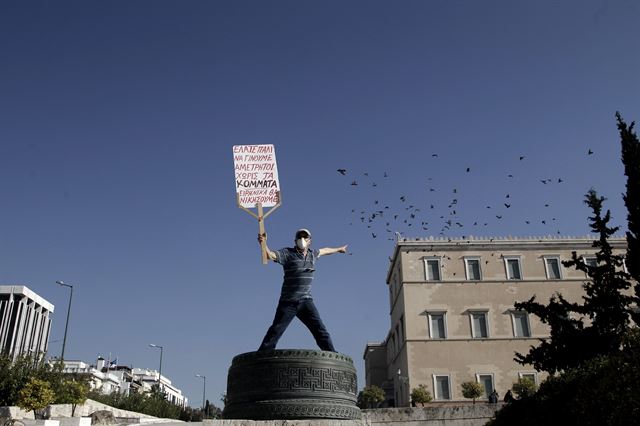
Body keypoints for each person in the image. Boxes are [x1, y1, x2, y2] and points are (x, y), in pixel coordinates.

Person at [257, 228, 348, 352]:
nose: (302, 240)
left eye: (305, 237)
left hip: (306, 301)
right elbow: (270, 255)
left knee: (320, 330)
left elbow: (326, 250)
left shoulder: (313, 254)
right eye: (299, 237)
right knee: (276, 330)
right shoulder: (288, 254)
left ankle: (332, 356)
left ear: (310, 241)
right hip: (288, 302)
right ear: (295, 241)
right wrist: (264, 244)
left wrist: (339, 249)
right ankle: (262, 356)